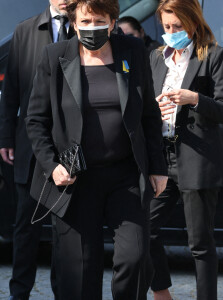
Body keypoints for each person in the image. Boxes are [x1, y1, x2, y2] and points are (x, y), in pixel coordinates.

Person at [25, 0, 168, 299]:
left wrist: (158, 167)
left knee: (136, 257)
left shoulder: (132, 51)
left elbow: (149, 116)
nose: (92, 28)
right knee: (78, 270)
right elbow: (36, 120)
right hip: (76, 179)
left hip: (126, 175)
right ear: (74, 24)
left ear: (113, 21)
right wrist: (53, 166)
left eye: (99, 21)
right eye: (85, 22)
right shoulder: (55, 56)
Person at [148, 0, 223, 299]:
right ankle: (161, 293)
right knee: (144, 229)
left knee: (200, 243)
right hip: (162, 158)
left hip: (197, 159)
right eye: (166, 27)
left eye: (177, 27)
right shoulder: (157, 57)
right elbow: (146, 104)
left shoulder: (214, 55)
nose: (171, 32)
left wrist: (193, 98)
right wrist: (153, 109)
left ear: (193, 24)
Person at [0, 1, 75, 299]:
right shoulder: (25, 30)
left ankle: (64, 292)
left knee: (65, 231)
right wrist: (5, 137)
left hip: (71, 147)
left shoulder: (84, 26)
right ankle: (19, 293)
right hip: (30, 146)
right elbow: (11, 90)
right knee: (25, 227)